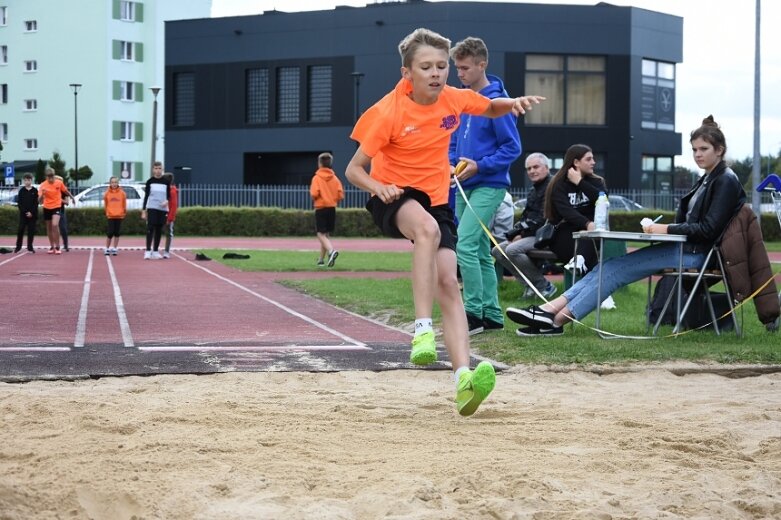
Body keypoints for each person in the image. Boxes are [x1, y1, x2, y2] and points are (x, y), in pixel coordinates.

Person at [345, 27, 544, 416]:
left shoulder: (452, 98)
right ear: (408, 73)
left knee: (449, 285)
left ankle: (463, 381)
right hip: (395, 194)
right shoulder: (389, 112)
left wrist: (514, 102)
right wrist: (377, 186)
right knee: (427, 230)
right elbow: (353, 169)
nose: (436, 73)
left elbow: (488, 107)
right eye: (426, 67)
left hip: (436, 200)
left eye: (441, 66)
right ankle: (421, 331)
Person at [506, 116, 746, 336]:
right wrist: (665, 229)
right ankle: (549, 312)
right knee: (609, 266)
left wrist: (667, 230)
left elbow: (708, 230)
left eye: (703, 149)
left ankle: (555, 321)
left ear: (719, 150)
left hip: (699, 255)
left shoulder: (725, 180)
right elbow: (695, 224)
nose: (697, 154)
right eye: (694, 149)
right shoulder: (709, 178)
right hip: (686, 249)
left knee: (615, 271)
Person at [448, 36, 522, 335]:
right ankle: (491, 314)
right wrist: (453, 164)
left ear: (482, 65)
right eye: (457, 68)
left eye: (465, 68)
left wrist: (480, 165)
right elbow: (453, 140)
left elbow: (512, 148)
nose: (460, 74)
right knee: (478, 249)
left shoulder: (496, 103)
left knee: (464, 243)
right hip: (462, 184)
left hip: (489, 184)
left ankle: (472, 313)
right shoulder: (464, 102)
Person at [491, 152, 554, 299]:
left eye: (536, 167)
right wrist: (514, 233)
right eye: (529, 168)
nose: (532, 171)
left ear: (546, 167)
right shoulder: (534, 189)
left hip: (548, 236)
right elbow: (527, 217)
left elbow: (543, 219)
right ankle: (529, 285)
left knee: (512, 249)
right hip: (532, 235)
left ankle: (543, 285)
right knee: (497, 250)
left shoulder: (552, 187)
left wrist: (521, 235)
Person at [542, 144, 606, 273]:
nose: (593, 162)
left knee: (588, 239)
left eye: (593, 159)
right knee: (587, 248)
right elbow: (566, 211)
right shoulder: (559, 184)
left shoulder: (596, 181)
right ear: (576, 162)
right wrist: (586, 223)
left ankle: (579, 262)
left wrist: (580, 182)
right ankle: (598, 289)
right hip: (565, 233)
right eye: (588, 159)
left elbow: (602, 201)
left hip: (592, 232)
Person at [309, 152, 344, 267]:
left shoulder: (316, 178)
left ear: (319, 163)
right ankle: (321, 260)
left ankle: (331, 251)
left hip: (321, 208)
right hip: (332, 208)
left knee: (320, 234)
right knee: (326, 235)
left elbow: (314, 193)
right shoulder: (335, 179)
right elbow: (340, 195)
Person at [38, 166, 76, 255]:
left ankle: (58, 246)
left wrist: (72, 197)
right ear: (46, 177)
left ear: (54, 176)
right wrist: (42, 195)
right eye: (49, 177)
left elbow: (66, 191)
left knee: (55, 225)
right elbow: (39, 201)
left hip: (56, 206)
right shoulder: (43, 185)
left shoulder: (59, 183)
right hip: (47, 207)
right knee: (49, 227)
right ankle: (52, 246)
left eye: (52, 177)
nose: (51, 179)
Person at [141, 161, 171, 260]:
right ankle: (148, 251)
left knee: (159, 229)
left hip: (162, 209)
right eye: (156, 168)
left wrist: (166, 201)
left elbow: (169, 196)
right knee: (150, 228)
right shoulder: (150, 181)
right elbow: (146, 196)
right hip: (152, 208)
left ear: (162, 169)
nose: (158, 171)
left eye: (159, 168)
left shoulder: (166, 182)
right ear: (153, 169)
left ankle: (155, 251)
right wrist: (144, 210)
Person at [103, 176, 127, 256]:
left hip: (119, 215)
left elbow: (124, 204)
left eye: (115, 182)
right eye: (112, 182)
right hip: (110, 215)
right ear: (110, 183)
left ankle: (115, 248)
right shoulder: (107, 193)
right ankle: (107, 248)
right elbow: (106, 204)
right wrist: (107, 212)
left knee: (117, 232)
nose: (114, 184)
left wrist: (124, 212)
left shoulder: (122, 193)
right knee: (110, 232)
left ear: (118, 183)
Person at [15, 173, 38, 253]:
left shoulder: (35, 191)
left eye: (29, 180)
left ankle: (30, 247)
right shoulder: (21, 191)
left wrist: (31, 212)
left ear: (31, 180)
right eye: (25, 180)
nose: (27, 182)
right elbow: (19, 203)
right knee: (20, 230)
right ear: (23, 181)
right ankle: (18, 247)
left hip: (32, 215)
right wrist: (25, 212)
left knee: (31, 231)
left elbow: (36, 203)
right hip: (23, 215)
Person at [163, 172, 179, 259]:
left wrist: (170, 219)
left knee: (168, 233)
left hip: (168, 216)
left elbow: (174, 206)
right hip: (161, 214)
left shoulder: (172, 191)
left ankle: (166, 251)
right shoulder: (164, 190)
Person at [56, 175, 70, 252]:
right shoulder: (52, 190)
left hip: (61, 211)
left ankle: (66, 245)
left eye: (60, 181)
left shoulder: (64, 192)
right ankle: (54, 245)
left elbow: (67, 202)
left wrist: (59, 199)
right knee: (53, 229)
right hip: (52, 210)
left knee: (63, 228)